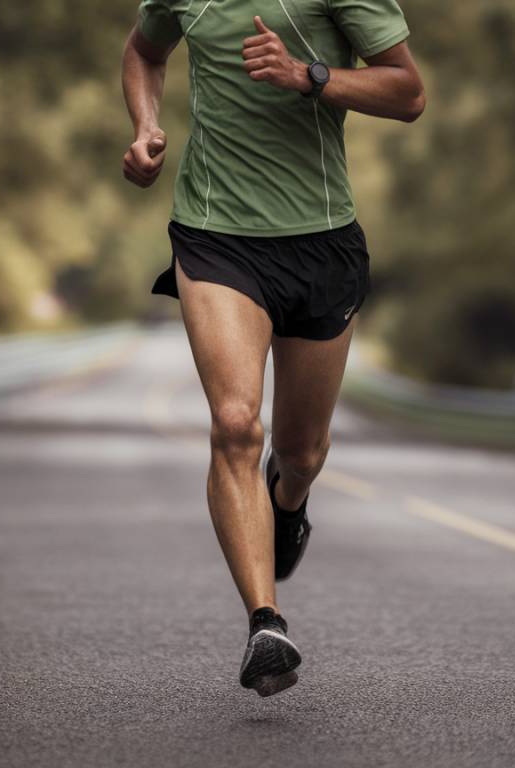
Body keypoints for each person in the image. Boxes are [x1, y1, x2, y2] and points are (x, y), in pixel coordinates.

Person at [121, 0, 424, 697]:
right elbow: (143, 50)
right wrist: (146, 126)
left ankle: (287, 498)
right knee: (234, 424)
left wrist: (309, 74)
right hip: (214, 233)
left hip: (321, 242)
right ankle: (266, 622)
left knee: (303, 449)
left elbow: (409, 92)